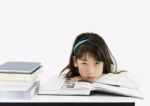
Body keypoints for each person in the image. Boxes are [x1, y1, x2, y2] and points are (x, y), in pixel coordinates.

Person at [60, 32, 137, 84]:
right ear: (75, 61)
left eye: (97, 63)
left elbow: (134, 81)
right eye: (84, 63)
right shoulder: (68, 72)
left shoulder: (110, 68)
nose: (91, 71)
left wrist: (100, 78)